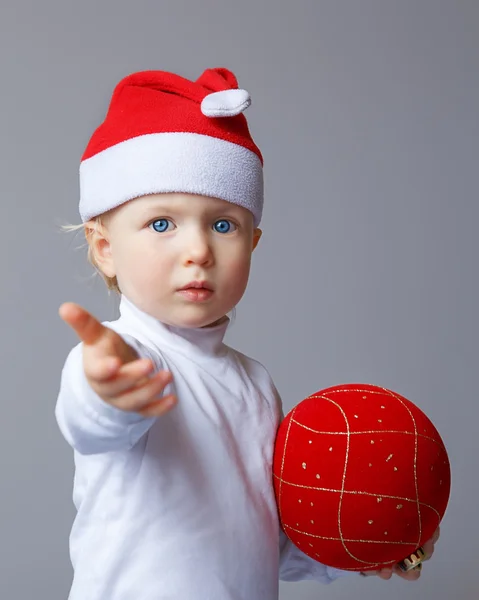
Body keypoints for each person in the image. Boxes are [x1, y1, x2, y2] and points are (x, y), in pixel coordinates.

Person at [55, 67, 439, 600]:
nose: (199, 251)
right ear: (105, 248)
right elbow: (91, 423)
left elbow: (265, 543)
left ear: (253, 243)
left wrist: (361, 542)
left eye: (223, 224)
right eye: (161, 223)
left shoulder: (255, 385)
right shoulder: (125, 361)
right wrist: (108, 393)